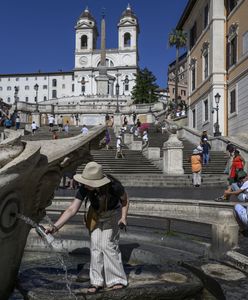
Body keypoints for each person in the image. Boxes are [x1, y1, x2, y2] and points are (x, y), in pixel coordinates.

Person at [46, 162, 128, 293]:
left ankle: (117, 279)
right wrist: (55, 227)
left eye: (88, 182)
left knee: (107, 245)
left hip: (112, 214)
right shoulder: (85, 187)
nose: (85, 184)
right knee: (95, 246)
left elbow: (125, 200)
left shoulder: (114, 186)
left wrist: (123, 217)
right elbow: (72, 209)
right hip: (95, 215)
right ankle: (96, 282)